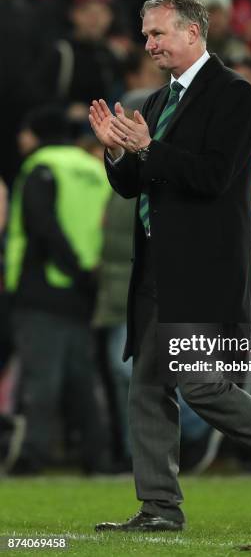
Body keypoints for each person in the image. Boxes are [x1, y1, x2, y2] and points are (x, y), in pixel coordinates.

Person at [89, 0, 251, 532]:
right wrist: (115, 150)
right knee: (149, 386)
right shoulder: (156, 101)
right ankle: (159, 509)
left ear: (192, 32)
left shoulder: (234, 94)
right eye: (146, 34)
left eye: (157, 33)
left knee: (200, 384)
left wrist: (150, 149)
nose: (147, 43)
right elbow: (133, 186)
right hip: (156, 269)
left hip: (204, 271)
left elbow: (214, 177)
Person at [5, 106, 111, 474]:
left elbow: (42, 226)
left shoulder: (42, 167)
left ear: (34, 134)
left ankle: (32, 457)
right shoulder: (95, 170)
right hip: (85, 290)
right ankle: (98, 457)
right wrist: (88, 274)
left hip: (43, 286)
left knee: (42, 379)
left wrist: (69, 267)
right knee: (83, 380)